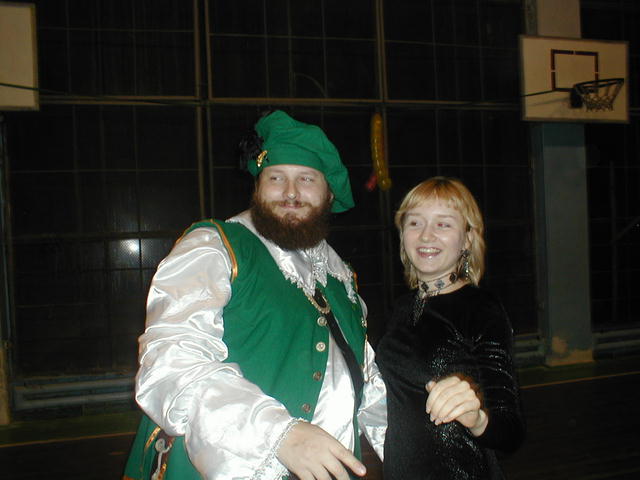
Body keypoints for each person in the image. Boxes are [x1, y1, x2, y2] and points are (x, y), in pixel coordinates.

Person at [122, 110, 386, 480]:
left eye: (306, 179)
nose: (290, 192)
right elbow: (171, 361)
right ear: (258, 186)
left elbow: (371, 387)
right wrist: (279, 435)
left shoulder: (341, 278)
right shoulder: (215, 248)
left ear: (328, 194)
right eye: (276, 177)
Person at [375, 177, 525, 480]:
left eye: (443, 224)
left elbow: (511, 432)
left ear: (467, 238)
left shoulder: (481, 309)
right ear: (403, 235)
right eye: (415, 223)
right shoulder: (401, 307)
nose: (426, 235)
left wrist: (477, 418)